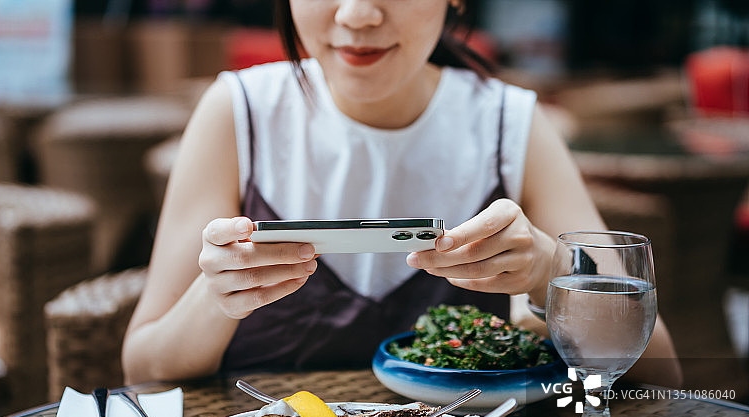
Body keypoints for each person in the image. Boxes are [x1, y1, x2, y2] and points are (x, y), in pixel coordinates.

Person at [122, 0, 682, 388]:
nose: (357, 14)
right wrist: (216, 297)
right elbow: (143, 366)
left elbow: (658, 370)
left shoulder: (509, 124)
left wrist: (551, 271)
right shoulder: (238, 113)